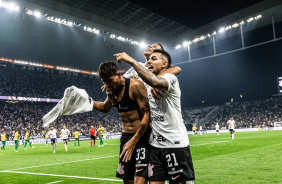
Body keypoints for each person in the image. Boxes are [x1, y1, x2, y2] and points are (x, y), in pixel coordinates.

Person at [115, 49, 195, 184]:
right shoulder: (146, 83)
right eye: (149, 59)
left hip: (174, 144)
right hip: (155, 146)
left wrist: (132, 61)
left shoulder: (171, 79)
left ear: (164, 64)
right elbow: (128, 83)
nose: (149, 62)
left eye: (154, 59)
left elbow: (159, 80)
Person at [93, 61, 151, 184]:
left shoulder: (135, 86)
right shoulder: (112, 90)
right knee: (127, 180)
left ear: (119, 74)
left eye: (109, 80)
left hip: (141, 137)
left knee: (139, 181)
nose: (107, 84)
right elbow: (104, 108)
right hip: (125, 137)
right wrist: (87, 101)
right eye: (104, 81)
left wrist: (134, 140)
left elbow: (147, 114)